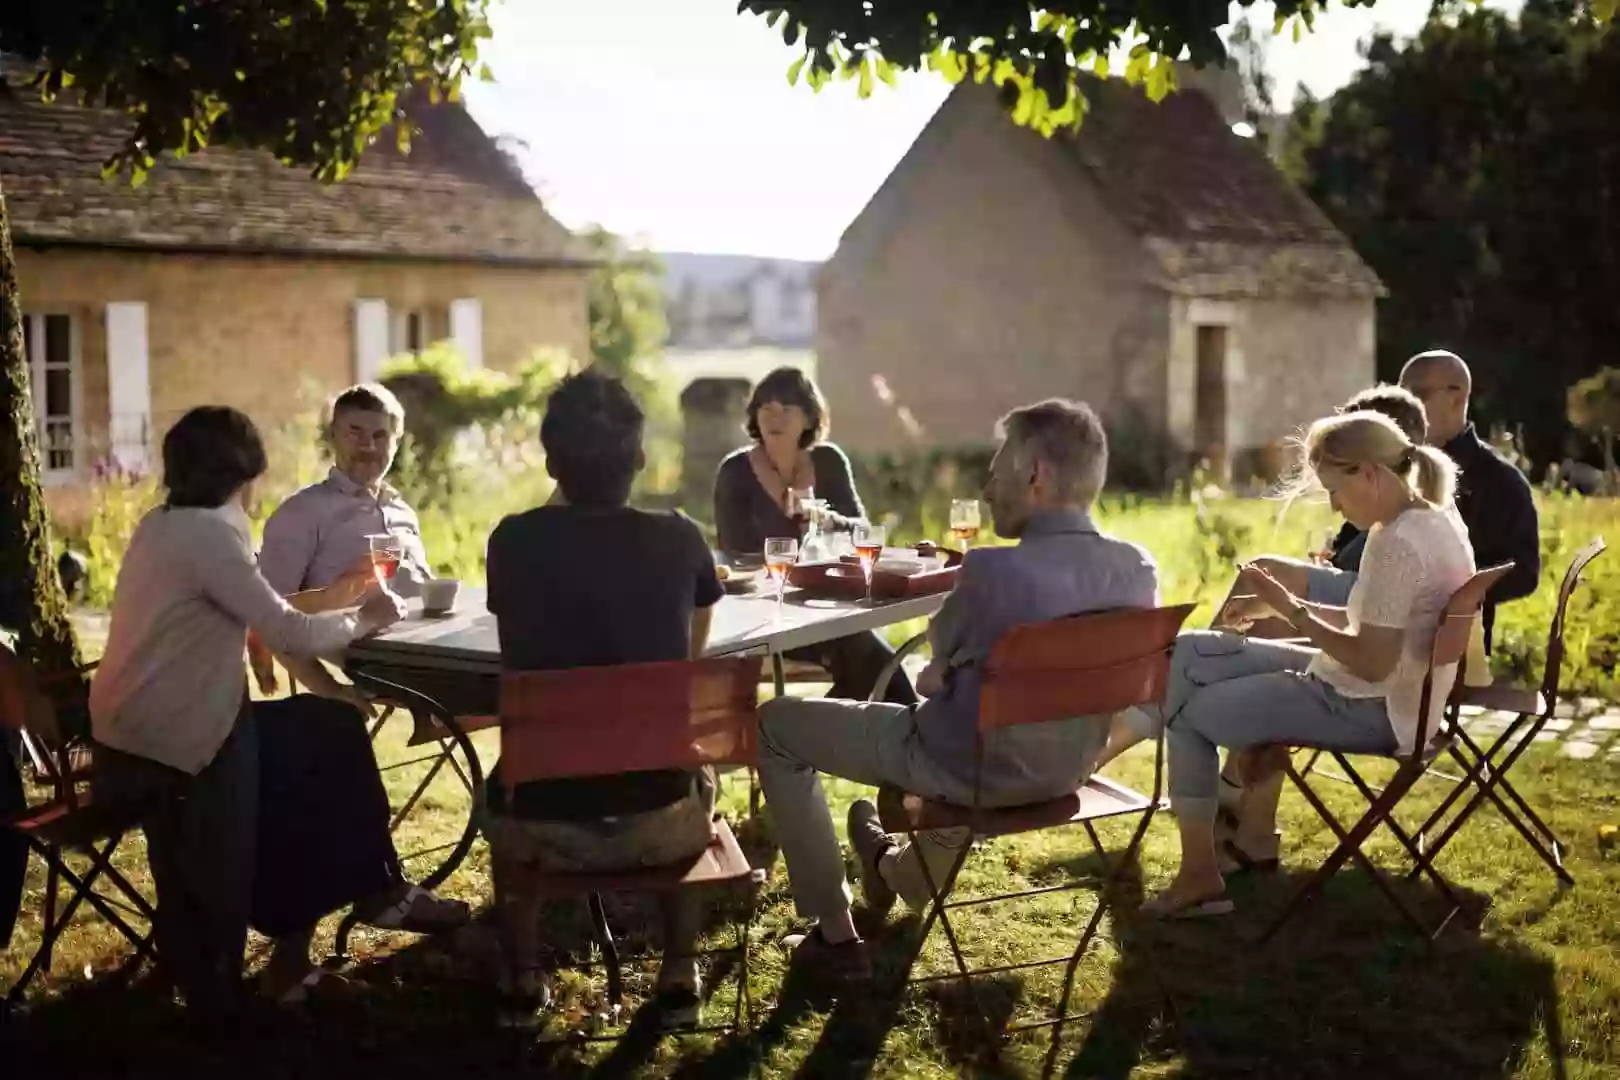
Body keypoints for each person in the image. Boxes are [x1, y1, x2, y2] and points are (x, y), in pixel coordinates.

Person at [753, 400, 1158, 978]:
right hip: (1068, 767)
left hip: (968, 768)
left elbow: (937, 663)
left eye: (996, 473)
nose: (989, 491)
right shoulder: (1139, 569)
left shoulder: (991, 572)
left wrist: (937, 677)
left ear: (1035, 476)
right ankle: (893, 871)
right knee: (971, 721)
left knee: (776, 725)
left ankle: (835, 936)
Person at [87, 406, 454, 1014]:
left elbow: (262, 612)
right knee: (290, 781)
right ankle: (223, 992)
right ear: (241, 471)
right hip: (176, 734)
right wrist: (365, 616)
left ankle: (368, 888)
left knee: (330, 728)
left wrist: (339, 629)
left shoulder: (166, 522)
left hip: (132, 721)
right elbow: (289, 630)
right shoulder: (209, 535)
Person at [1135, 412, 1474, 918]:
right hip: (1381, 693)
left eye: (1335, 490)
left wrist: (1292, 609)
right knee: (1186, 653)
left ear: (1369, 473)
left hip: (1372, 706)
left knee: (1189, 714)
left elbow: (1373, 660)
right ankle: (1214, 822)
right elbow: (1376, 620)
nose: (1335, 504)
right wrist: (1276, 609)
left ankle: (1200, 874)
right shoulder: (1433, 518)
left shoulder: (1396, 542)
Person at [483, 370, 723, 1030]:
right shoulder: (680, 538)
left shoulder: (512, 541)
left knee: (507, 776)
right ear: (641, 459)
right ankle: (679, 976)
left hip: (545, 822)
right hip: (661, 816)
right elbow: (688, 660)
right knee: (680, 756)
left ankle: (524, 984)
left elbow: (519, 656)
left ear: (551, 461)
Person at [712, 367, 916, 706]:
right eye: (766, 408)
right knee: (869, 656)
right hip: (767, 613)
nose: (774, 417)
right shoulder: (735, 472)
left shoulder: (828, 460)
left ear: (808, 419)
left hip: (829, 603)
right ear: (755, 417)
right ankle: (917, 735)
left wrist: (822, 517)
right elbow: (735, 556)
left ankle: (796, 744)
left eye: (787, 409)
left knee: (865, 657)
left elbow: (864, 533)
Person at [1397, 350, 1540, 649]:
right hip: (1376, 624)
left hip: (1448, 650)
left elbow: (1524, 573)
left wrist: (1453, 590)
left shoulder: (1501, 482)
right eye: (1401, 396)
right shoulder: (1396, 464)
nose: (1404, 408)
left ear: (1456, 397)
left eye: (1416, 395)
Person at [260, 382, 431, 602]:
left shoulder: (403, 513)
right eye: (354, 433)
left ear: (396, 444)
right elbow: (268, 615)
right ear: (333, 436)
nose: (368, 446)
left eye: (380, 436)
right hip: (348, 637)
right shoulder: (300, 514)